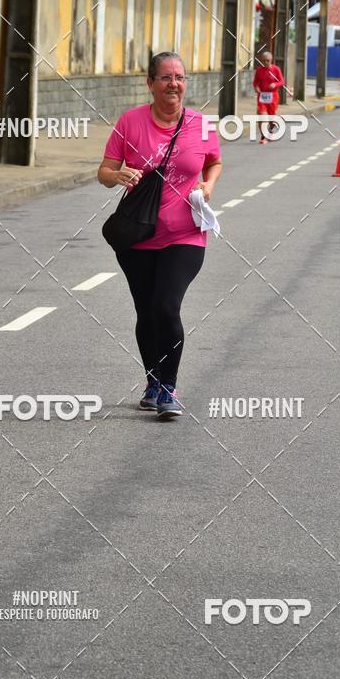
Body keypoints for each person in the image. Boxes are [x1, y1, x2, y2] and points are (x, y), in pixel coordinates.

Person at [97, 52, 222, 419]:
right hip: (138, 235)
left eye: (180, 77)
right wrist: (118, 176)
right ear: (150, 83)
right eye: (165, 77)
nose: (174, 84)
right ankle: (152, 380)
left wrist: (209, 184)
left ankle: (168, 387)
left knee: (166, 306)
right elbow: (104, 170)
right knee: (146, 310)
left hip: (185, 234)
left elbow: (214, 161)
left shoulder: (200, 124)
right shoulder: (130, 122)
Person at [253, 51, 285, 143]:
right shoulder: (259, 70)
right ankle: (263, 137)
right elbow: (255, 82)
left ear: (271, 60)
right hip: (262, 96)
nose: (265, 62)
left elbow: (282, 81)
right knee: (262, 116)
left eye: (267, 60)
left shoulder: (276, 69)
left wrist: (275, 84)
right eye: (264, 61)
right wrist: (256, 87)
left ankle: (270, 129)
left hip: (273, 96)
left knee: (272, 118)